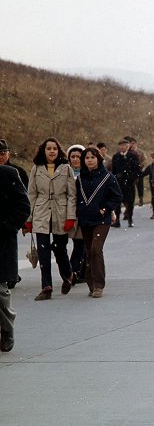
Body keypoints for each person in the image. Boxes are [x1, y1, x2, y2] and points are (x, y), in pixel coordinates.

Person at [26, 137, 77, 301]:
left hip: (60, 213)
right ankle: (46, 286)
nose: (52, 151)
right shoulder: (36, 168)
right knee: (43, 251)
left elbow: (72, 195)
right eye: (49, 148)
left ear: (58, 150)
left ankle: (68, 275)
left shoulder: (66, 168)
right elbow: (31, 194)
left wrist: (70, 216)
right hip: (41, 213)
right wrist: (28, 218)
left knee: (60, 248)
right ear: (44, 150)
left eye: (55, 148)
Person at [76, 148, 123, 297]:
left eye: (93, 157)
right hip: (85, 219)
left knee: (96, 249)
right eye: (87, 158)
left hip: (102, 219)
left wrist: (105, 209)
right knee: (89, 252)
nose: (89, 160)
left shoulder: (108, 177)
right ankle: (91, 284)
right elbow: (76, 197)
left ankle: (99, 285)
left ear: (99, 159)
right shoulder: (80, 179)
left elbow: (117, 196)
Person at [0, 165, 31, 352]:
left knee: (0, 293)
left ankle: (6, 329)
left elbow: (23, 206)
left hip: (1, 241)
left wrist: (6, 227)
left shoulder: (8, 174)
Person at [66, 144, 87, 285]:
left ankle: (76, 270)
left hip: (85, 213)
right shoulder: (64, 173)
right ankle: (76, 271)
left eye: (78, 157)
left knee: (81, 243)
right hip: (69, 212)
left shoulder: (89, 173)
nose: (75, 159)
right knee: (77, 243)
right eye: (72, 157)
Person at [111, 138, 141, 227]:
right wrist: (115, 178)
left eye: (124, 145)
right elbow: (114, 170)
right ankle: (117, 221)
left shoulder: (133, 156)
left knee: (130, 202)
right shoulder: (116, 156)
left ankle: (130, 219)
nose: (122, 147)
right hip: (118, 184)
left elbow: (137, 170)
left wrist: (131, 178)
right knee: (117, 202)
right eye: (120, 145)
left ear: (128, 146)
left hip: (129, 184)